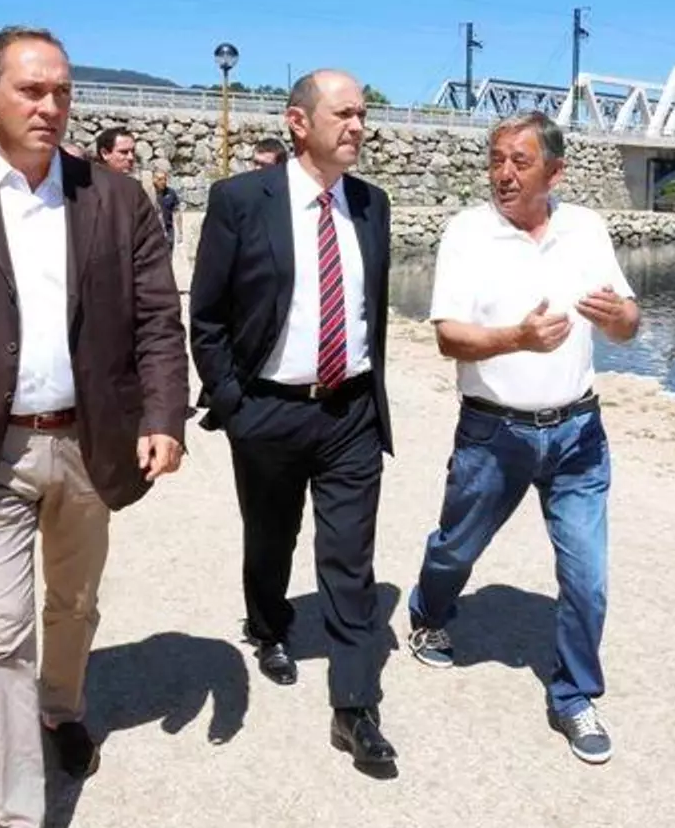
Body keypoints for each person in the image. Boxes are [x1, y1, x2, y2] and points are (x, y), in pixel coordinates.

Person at [0, 26, 188, 827]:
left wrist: (164, 414)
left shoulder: (115, 197)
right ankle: (19, 813)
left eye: (61, 91)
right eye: (31, 90)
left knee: (74, 602)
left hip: (88, 443)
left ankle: (60, 706)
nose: (50, 106)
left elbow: (158, 319)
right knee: (0, 635)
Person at [404, 110, 640, 766]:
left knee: (587, 576)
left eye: (520, 161)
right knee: (455, 549)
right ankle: (429, 613)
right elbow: (448, 337)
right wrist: (518, 338)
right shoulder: (468, 232)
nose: (503, 173)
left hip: (579, 432)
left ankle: (574, 695)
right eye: (496, 159)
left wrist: (620, 318)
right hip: (493, 432)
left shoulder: (586, 229)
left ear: (554, 172)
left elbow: (628, 322)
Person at [190, 69, 397, 769]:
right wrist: (234, 404)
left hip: (351, 411)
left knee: (350, 559)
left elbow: (370, 310)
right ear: (298, 122)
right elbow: (207, 316)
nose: (359, 126)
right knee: (271, 538)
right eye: (344, 114)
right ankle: (268, 624)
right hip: (270, 410)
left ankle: (354, 706)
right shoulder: (241, 200)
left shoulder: (372, 204)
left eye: (362, 113)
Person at [152, 170, 180, 247]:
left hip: (168, 231)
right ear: (154, 180)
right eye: (160, 179)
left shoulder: (171, 193)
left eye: (165, 179)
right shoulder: (149, 193)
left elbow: (177, 211)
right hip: (153, 232)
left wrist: (180, 232)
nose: (163, 182)